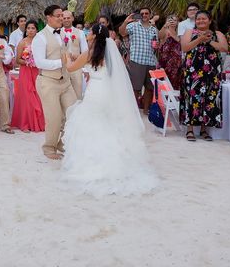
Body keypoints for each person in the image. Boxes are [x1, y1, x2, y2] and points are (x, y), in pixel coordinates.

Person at [62, 24, 158, 196]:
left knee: (91, 124)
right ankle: (116, 161)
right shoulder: (109, 53)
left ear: (94, 36)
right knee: (108, 124)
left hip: (95, 93)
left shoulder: (90, 53)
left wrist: (67, 57)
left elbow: (71, 68)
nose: (87, 34)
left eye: (90, 32)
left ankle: (92, 162)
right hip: (107, 92)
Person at [31, 5, 78, 160]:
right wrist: (62, 63)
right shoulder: (40, 37)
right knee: (54, 117)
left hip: (65, 81)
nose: (61, 18)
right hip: (48, 82)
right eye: (58, 16)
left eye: (62, 15)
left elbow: (65, 53)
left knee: (73, 113)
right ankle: (49, 147)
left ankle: (63, 144)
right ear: (48, 17)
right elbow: (40, 63)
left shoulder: (64, 33)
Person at [180, 10, 228, 141]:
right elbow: (184, 47)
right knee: (192, 98)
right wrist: (200, 39)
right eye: (198, 19)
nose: (201, 21)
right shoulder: (189, 32)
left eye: (204, 19)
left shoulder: (217, 34)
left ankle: (204, 130)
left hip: (212, 72)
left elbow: (224, 48)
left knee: (209, 99)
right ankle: (189, 129)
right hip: (193, 71)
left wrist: (209, 41)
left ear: (210, 20)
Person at [120, 8, 159, 114]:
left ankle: (146, 110)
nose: (144, 15)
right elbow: (122, 33)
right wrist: (125, 22)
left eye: (146, 13)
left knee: (149, 88)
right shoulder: (133, 25)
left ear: (150, 15)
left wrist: (157, 46)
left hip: (151, 61)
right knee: (135, 88)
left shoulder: (154, 29)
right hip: (137, 60)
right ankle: (133, 111)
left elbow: (156, 44)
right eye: (142, 13)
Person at [11, 20, 45, 133]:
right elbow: (17, 60)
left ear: (36, 30)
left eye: (33, 28)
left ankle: (38, 123)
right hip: (25, 71)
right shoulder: (22, 43)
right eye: (29, 28)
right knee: (26, 96)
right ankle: (25, 123)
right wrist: (28, 62)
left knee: (37, 95)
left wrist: (36, 61)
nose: (30, 30)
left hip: (36, 71)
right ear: (26, 30)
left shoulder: (40, 42)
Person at [61, 10, 88, 99]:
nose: (66, 20)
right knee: (64, 95)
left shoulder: (80, 33)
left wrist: (79, 57)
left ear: (72, 18)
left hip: (77, 67)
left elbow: (85, 51)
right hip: (62, 68)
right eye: (64, 18)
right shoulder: (57, 32)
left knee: (78, 94)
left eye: (68, 18)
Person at [157, 14, 183, 90]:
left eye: (175, 20)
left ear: (178, 22)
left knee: (176, 86)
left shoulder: (179, 32)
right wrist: (165, 25)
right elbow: (159, 36)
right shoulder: (165, 31)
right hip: (166, 63)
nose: (172, 22)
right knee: (165, 86)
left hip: (177, 64)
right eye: (170, 20)